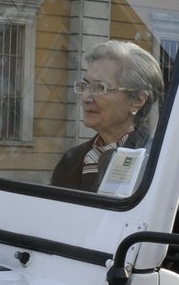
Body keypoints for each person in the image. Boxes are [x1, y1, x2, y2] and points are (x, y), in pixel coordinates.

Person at [53, 40, 164, 191]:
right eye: (85, 86)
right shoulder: (72, 160)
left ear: (137, 100)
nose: (85, 97)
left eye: (100, 87)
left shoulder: (157, 162)